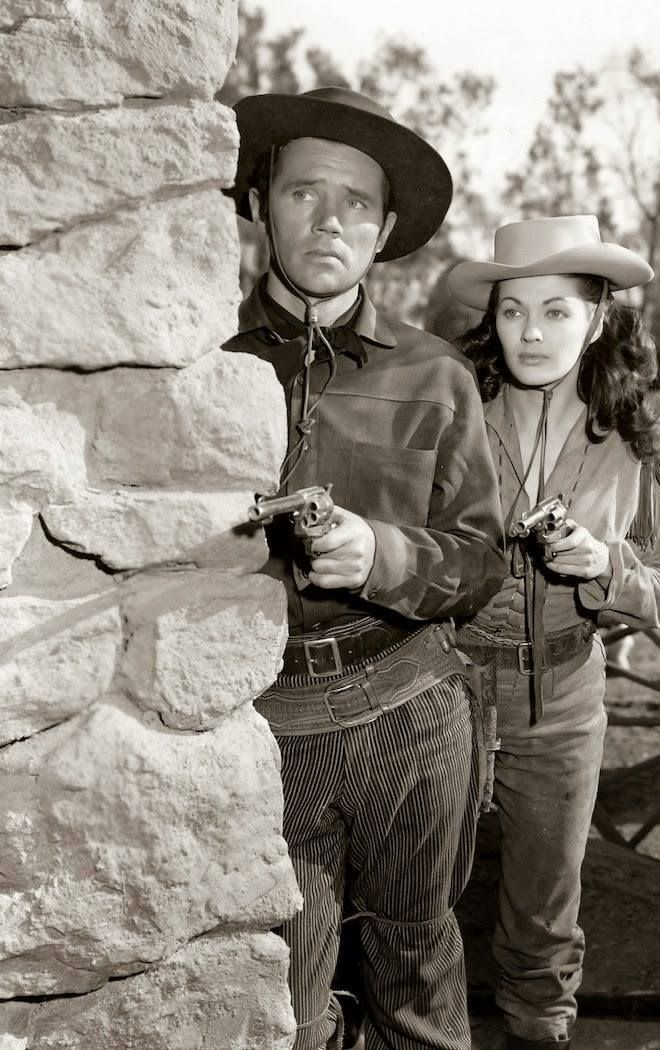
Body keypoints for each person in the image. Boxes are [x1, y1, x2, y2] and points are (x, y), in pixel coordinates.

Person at [221, 87, 505, 1050]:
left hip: (410, 704)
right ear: (262, 202)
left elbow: (481, 558)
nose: (328, 219)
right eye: (304, 191)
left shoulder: (435, 375)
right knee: (283, 1011)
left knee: (418, 982)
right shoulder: (201, 368)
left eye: (355, 203)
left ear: (384, 231)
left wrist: (381, 554)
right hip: (265, 724)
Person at [446, 215, 660, 1050]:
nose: (531, 332)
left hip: (563, 703)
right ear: (492, 317)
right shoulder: (452, 411)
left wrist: (604, 566)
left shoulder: (640, 438)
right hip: (445, 688)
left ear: (599, 317)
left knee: (543, 910)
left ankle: (536, 1030)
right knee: (415, 898)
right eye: (513, 311)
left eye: (557, 311)